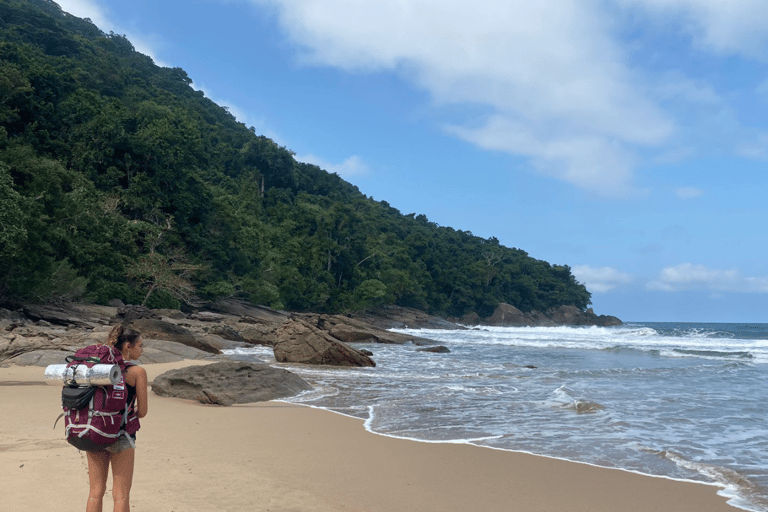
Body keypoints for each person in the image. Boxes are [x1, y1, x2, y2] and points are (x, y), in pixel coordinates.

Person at [85, 324, 148, 512]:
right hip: (122, 436)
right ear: (128, 346)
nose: (142, 350)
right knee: (120, 495)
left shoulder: (98, 369)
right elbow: (142, 412)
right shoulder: (137, 372)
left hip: (95, 432)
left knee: (95, 492)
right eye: (140, 345)